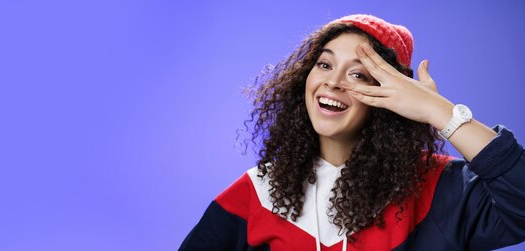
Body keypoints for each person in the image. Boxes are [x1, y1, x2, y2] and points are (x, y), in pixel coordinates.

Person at [179, 14, 525, 251]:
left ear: (391, 96)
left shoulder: (439, 186)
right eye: (325, 65)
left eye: (358, 74)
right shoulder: (259, 190)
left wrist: (439, 112)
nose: (332, 81)